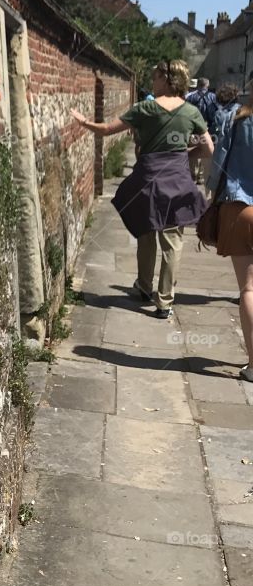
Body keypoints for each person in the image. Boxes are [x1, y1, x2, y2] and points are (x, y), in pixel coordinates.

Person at [71, 60, 213, 317]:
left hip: (148, 182)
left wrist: (84, 123)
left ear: (168, 80)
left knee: (146, 235)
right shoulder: (191, 112)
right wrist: (183, 155)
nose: (151, 81)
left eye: (155, 77)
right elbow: (208, 149)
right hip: (177, 182)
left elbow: (105, 130)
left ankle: (145, 287)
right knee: (172, 243)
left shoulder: (145, 108)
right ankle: (164, 302)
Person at [208, 82, 253, 381]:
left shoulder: (235, 118)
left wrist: (212, 196)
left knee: (249, 289)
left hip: (239, 206)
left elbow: (218, 164)